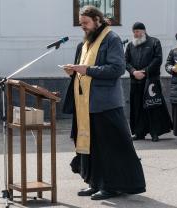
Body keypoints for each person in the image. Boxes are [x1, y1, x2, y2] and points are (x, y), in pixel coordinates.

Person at [62, 5, 146, 200]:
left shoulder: (111, 39)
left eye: (85, 23)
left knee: (110, 148)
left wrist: (87, 70)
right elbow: (83, 69)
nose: (82, 26)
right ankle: (95, 182)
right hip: (87, 104)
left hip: (106, 104)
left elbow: (117, 68)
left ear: (97, 20)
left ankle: (112, 186)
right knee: (94, 147)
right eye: (81, 23)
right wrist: (74, 71)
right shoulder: (85, 42)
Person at [125, 22, 172, 142]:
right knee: (137, 108)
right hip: (135, 81)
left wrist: (144, 72)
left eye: (138, 31)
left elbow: (157, 59)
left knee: (152, 107)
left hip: (150, 81)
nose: (135, 34)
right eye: (134, 32)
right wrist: (133, 71)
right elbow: (125, 61)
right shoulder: (130, 45)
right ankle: (138, 132)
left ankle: (154, 132)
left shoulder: (154, 42)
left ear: (144, 31)